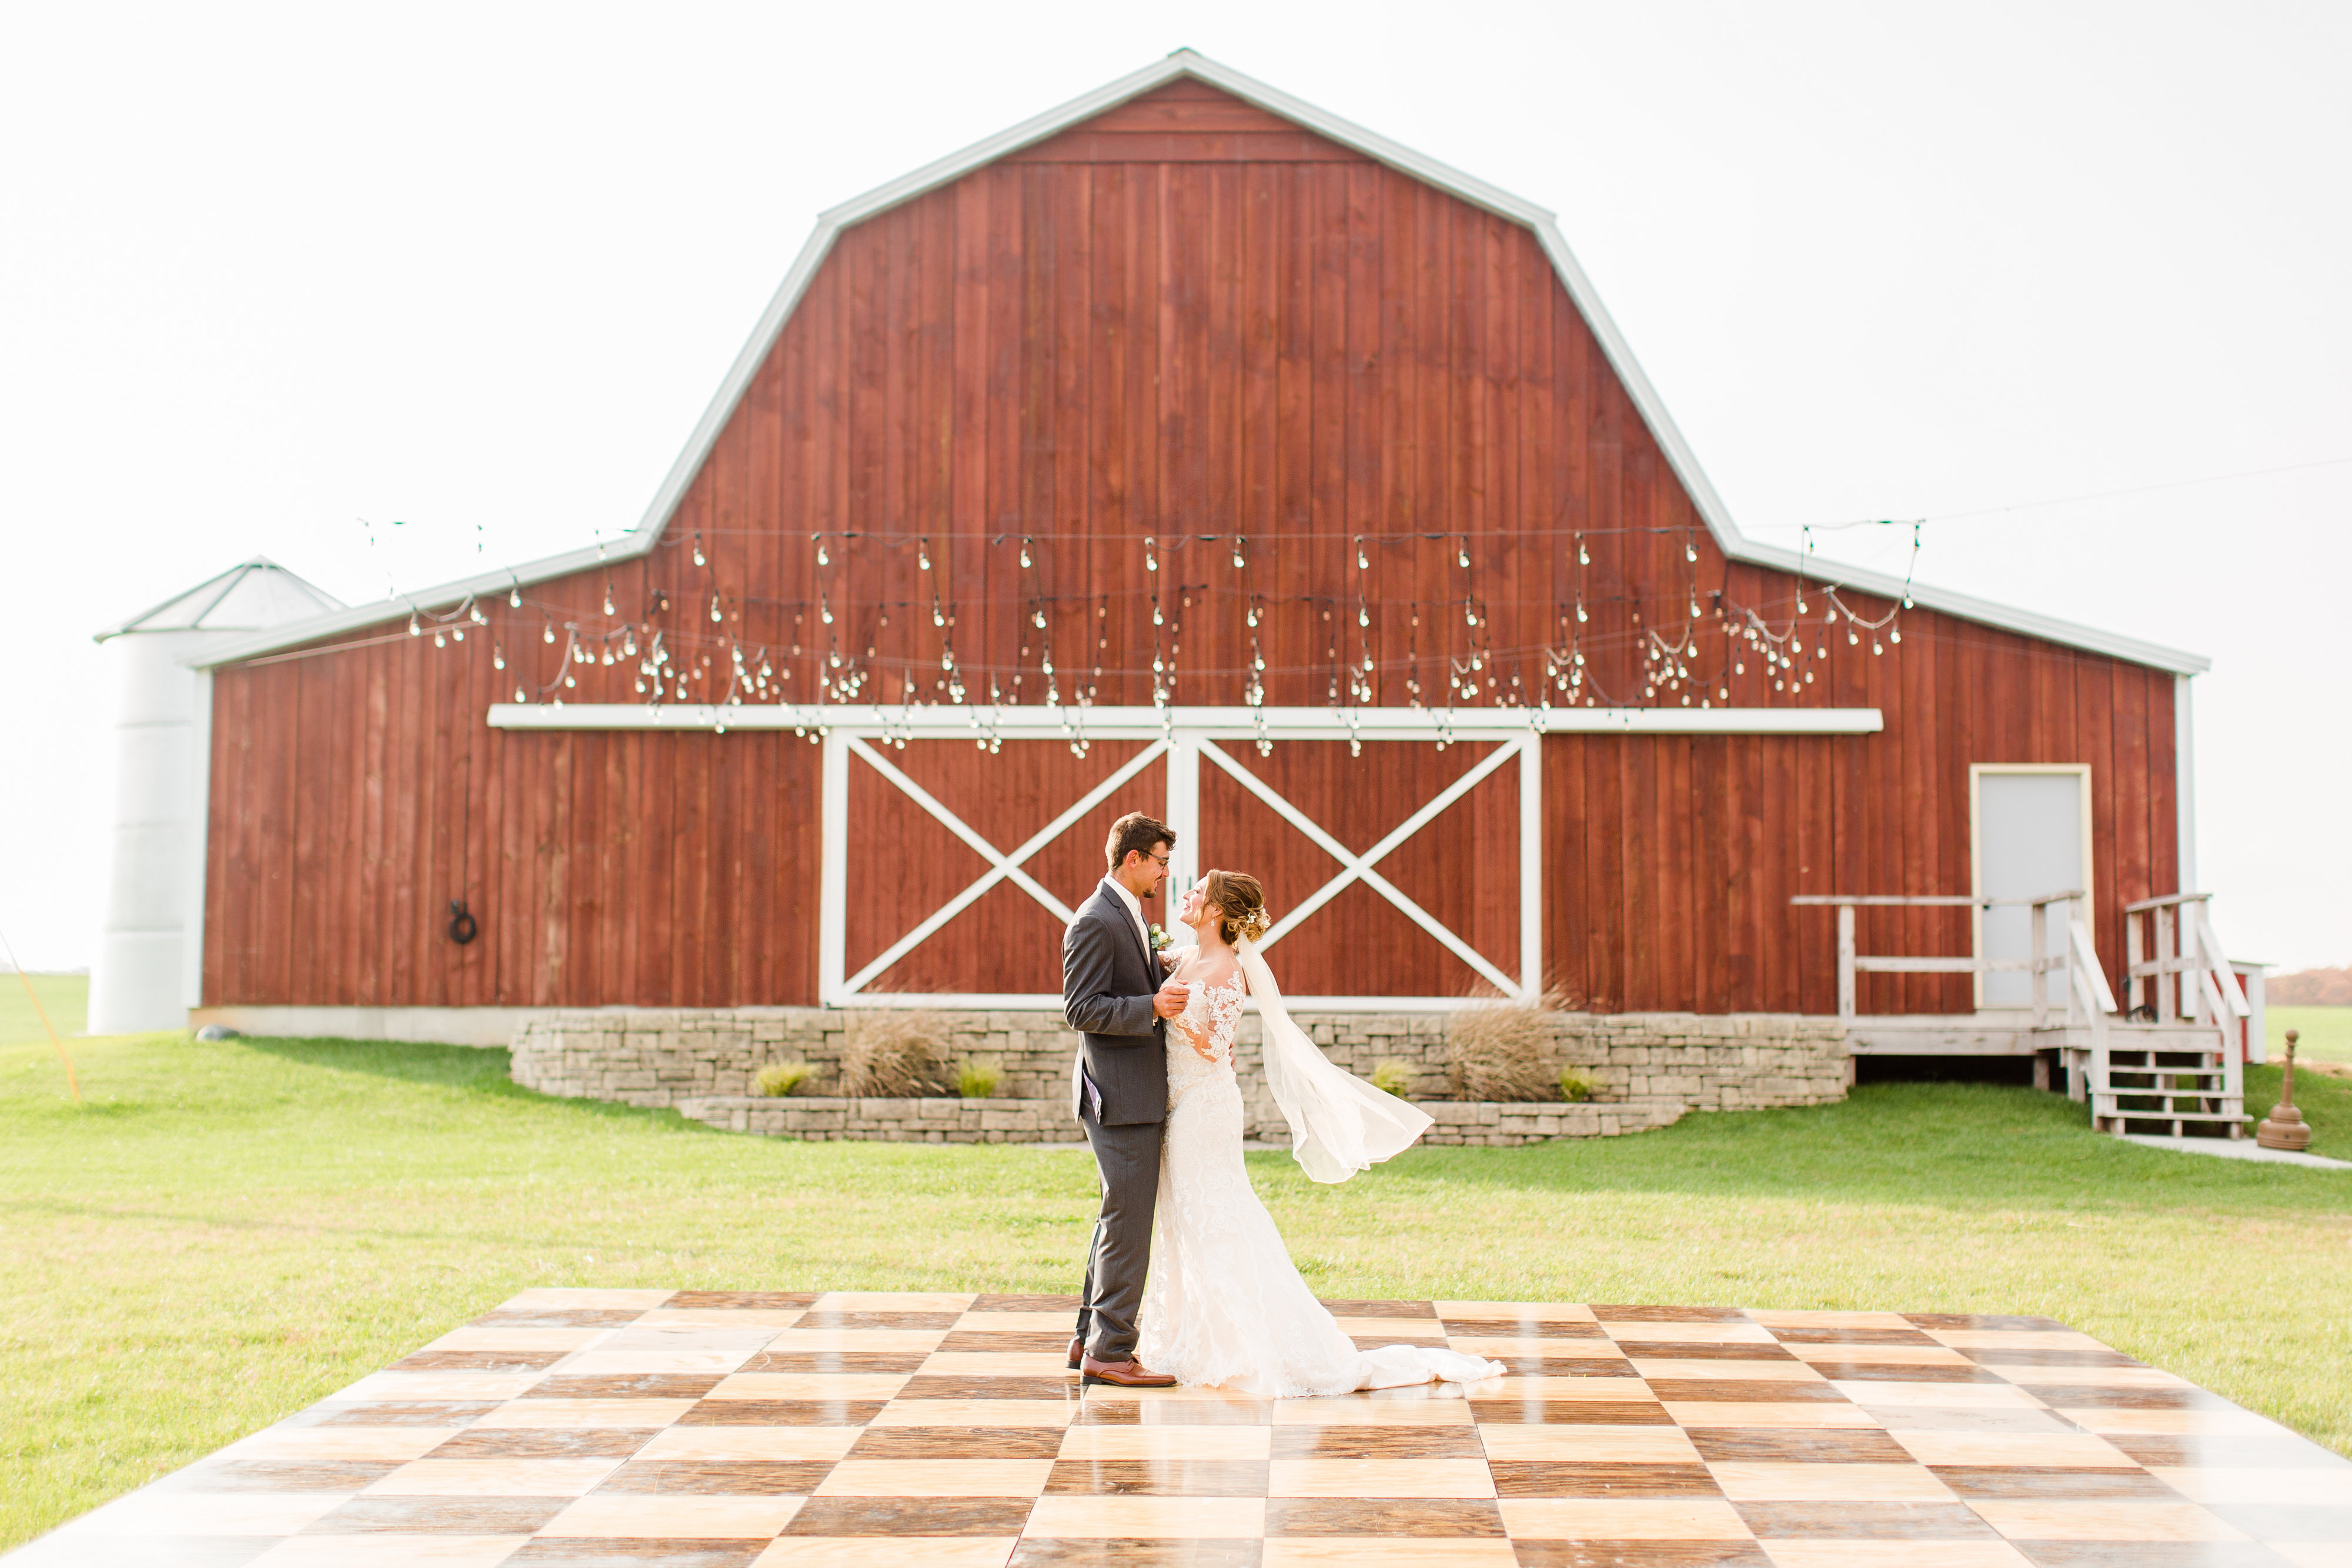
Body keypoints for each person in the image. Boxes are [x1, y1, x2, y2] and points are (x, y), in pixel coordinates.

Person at [1135, 870, 1506, 1395]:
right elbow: (1157, 975)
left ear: (1217, 911)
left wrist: (1174, 1011)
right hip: (1179, 1105)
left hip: (1205, 1109)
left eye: (1199, 891)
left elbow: (1216, 1045)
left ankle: (1260, 1342)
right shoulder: (1184, 957)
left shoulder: (1225, 971)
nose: (1188, 895)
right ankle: (1194, 1337)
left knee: (1216, 1216)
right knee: (1183, 1219)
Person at [1059, 811, 1191, 1388]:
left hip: (1128, 1092)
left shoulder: (1128, 913)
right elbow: (1080, 1009)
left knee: (1118, 1217)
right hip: (1120, 1096)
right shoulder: (1095, 920)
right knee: (1128, 1224)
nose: (1165, 873)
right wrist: (1152, 1009)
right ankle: (1111, 1352)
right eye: (1160, 861)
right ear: (1132, 858)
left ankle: (1087, 1338)